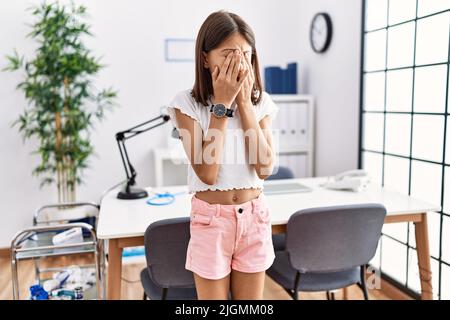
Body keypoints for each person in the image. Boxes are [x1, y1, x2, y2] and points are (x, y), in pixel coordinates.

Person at [166, 10, 279, 300]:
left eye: (245, 54)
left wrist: (244, 103)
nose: (238, 62)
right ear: (205, 58)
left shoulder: (261, 103)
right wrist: (223, 105)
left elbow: (265, 167)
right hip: (211, 223)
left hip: (254, 218)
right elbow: (207, 173)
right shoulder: (186, 105)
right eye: (228, 53)